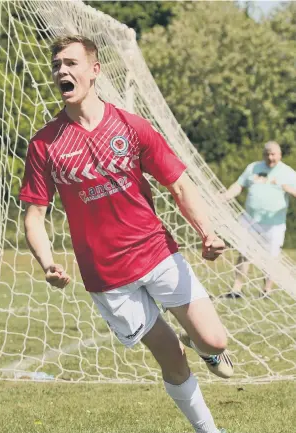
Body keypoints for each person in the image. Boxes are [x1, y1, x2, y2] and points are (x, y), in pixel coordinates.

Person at [19, 35, 232, 433]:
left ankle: (206, 349)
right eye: (57, 65)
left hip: (157, 254)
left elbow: (180, 184)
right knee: (171, 357)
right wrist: (48, 263)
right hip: (108, 278)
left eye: (71, 63)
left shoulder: (132, 127)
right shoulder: (44, 144)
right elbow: (34, 216)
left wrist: (207, 232)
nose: (62, 71)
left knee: (215, 341)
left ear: (94, 70)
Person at [222, 141, 296, 298]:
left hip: (274, 224)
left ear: (280, 155)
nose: (270, 157)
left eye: (273, 154)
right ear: (263, 154)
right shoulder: (253, 168)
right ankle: (237, 289)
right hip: (250, 220)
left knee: (271, 257)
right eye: (267, 154)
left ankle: (266, 291)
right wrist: (224, 197)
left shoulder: (288, 172)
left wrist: (287, 188)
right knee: (244, 253)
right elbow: (239, 185)